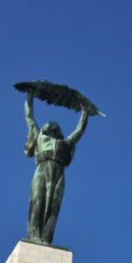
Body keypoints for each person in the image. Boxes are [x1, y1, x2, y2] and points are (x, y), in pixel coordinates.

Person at [24, 93, 88, 244]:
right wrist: (29, 96)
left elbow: (79, 131)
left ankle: (46, 238)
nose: (50, 126)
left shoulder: (65, 143)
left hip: (58, 173)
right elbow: (29, 117)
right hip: (42, 169)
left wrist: (85, 112)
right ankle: (34, 235)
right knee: (38, 202)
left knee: (53, 206)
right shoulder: (39, 136)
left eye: (53, 126)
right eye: (48, 125)